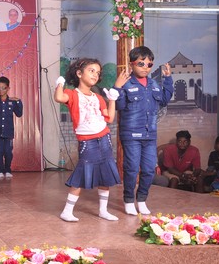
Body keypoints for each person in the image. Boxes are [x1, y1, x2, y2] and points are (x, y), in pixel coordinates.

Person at [53, 58, 121, 222]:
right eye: (91, 71)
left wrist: (112, 99)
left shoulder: (98, 97)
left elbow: (110, 118)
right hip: (87, 142)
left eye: (98, 72)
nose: (95, 75)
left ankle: (103, 210)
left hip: (104, 138)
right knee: (81, 174)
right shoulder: (72, 94)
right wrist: (60, 83)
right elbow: (59, 98)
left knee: (105, 174)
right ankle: (67, 211)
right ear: (79, 73)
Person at [114, 46, 173, 215]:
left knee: (148, 170)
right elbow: (118, 106)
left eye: (149, 64)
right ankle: (128, 200)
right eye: (141, 64)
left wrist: (168, 79)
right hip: (131, 135)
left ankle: (141, 200)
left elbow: (164, 100)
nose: (145, 68)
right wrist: (117, 88)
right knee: (132, 168)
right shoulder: (125, 83)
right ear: (132, 64)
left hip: (150, 135)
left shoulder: (153, 84)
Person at [0, 76, 23, 179]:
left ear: (8, 88)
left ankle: (8, 170)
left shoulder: (13, 101)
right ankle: (0, 170)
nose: (1, 90)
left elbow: (19, 114)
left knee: (8, 152)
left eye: (4, 88)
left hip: (8, 132)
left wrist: (18, 101)